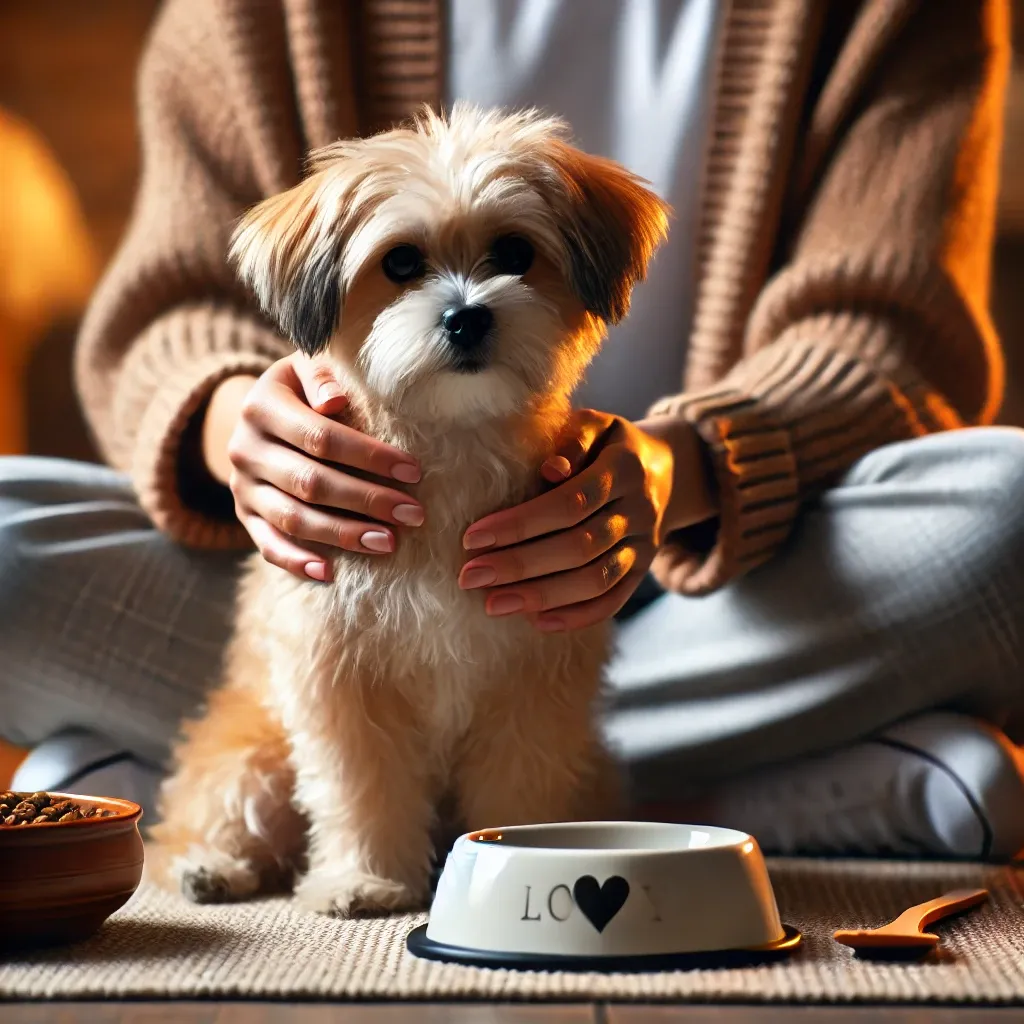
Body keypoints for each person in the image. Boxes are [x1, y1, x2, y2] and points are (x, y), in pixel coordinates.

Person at [4, 0, 1024, 860]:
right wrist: (238, 427)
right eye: (408, 266)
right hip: (331, 566)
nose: (462, 301)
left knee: (1009, 513)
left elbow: (886, 328)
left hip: (722, 596)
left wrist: (688, 471)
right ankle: (767, 792)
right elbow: (175, 303)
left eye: (508, 254)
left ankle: (160, 788)